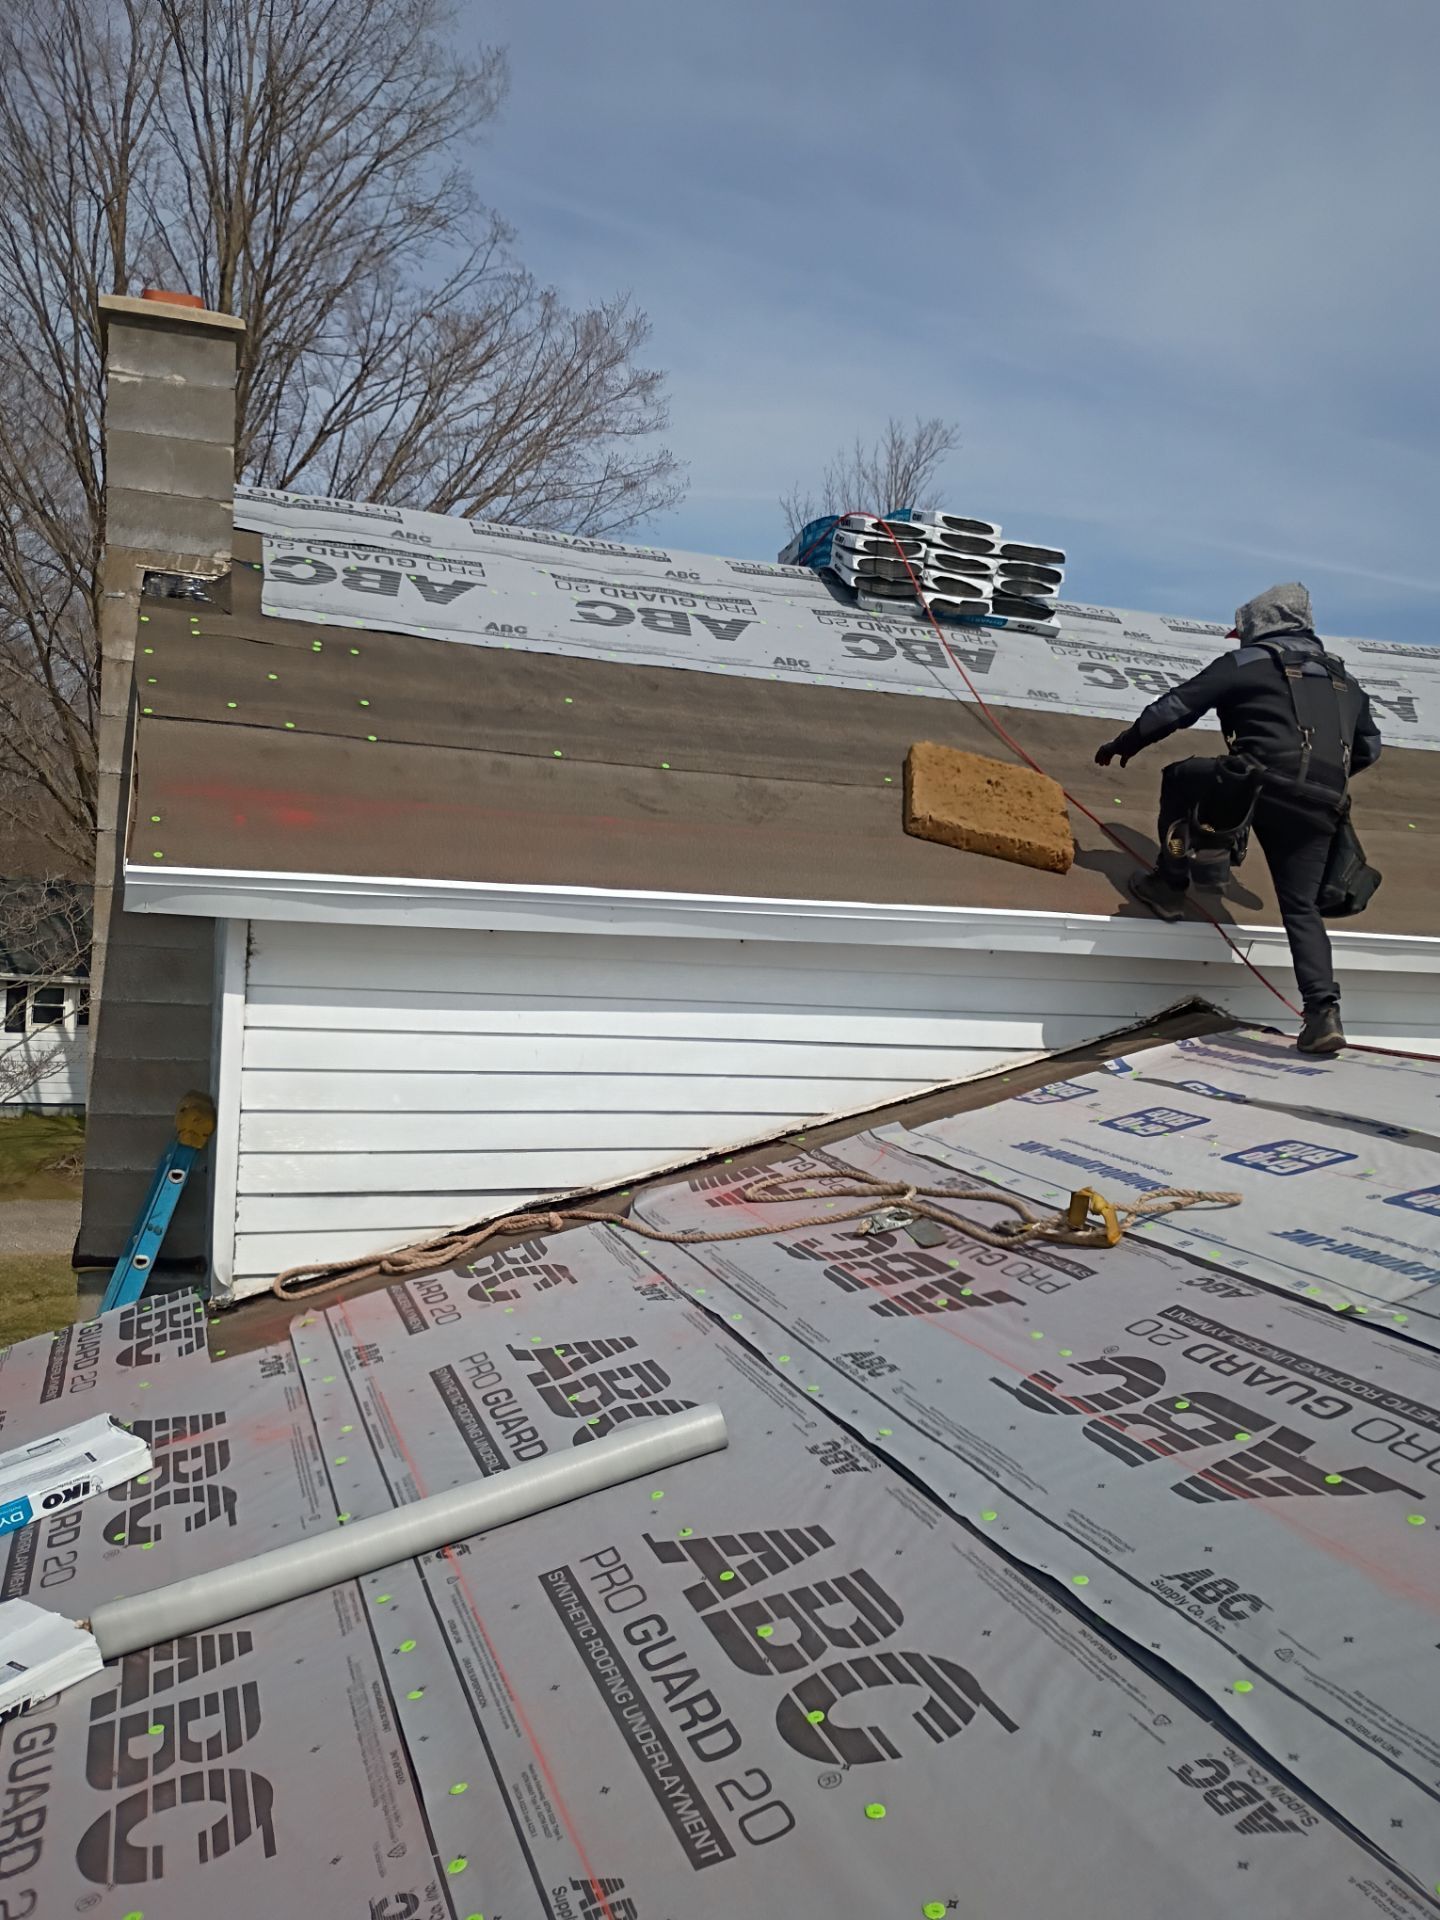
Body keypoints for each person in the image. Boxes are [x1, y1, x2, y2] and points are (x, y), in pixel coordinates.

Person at [1093, 583, 1381, 1056]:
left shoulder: (1248, 663)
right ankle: (1323, 1012)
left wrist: (1126, 742)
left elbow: (1177, 707)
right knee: (1301, 909)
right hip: (1322, 803)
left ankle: (1172, 883)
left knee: (1183, 778)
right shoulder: (1345, 683)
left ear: (1256, 627)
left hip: (1254, 785)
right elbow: (1369, 748)